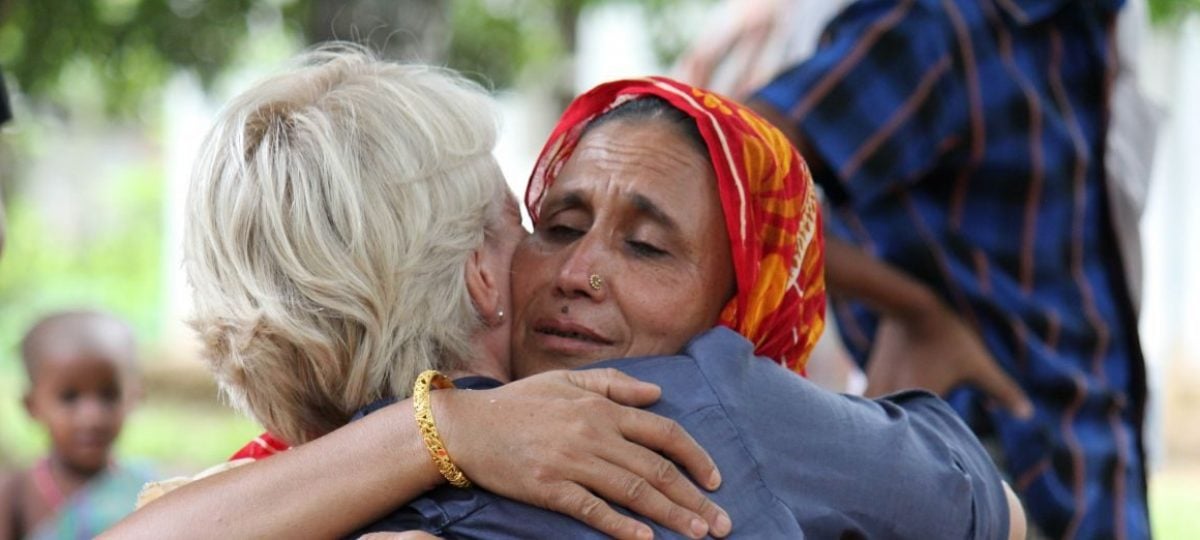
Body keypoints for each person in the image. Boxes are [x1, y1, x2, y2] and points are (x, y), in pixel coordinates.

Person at [107, 49, 1020, 538]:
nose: (577, 272)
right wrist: (446, 430)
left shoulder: (696, 406)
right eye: (549, 222)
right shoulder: (335, 487)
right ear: (477, 268)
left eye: (651, 247)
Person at [746, 0, 1150, 537]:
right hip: (989, 472)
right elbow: (737, 169)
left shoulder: (1081, 26)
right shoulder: (940, 26)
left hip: (1087, 475)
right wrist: (920, 314)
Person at [0, 311, 153, 540]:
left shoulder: (147, 490)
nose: (92, 417)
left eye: (108, 395)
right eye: (69, 398)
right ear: (32, 406)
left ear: (133, 397)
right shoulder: (16, 495)